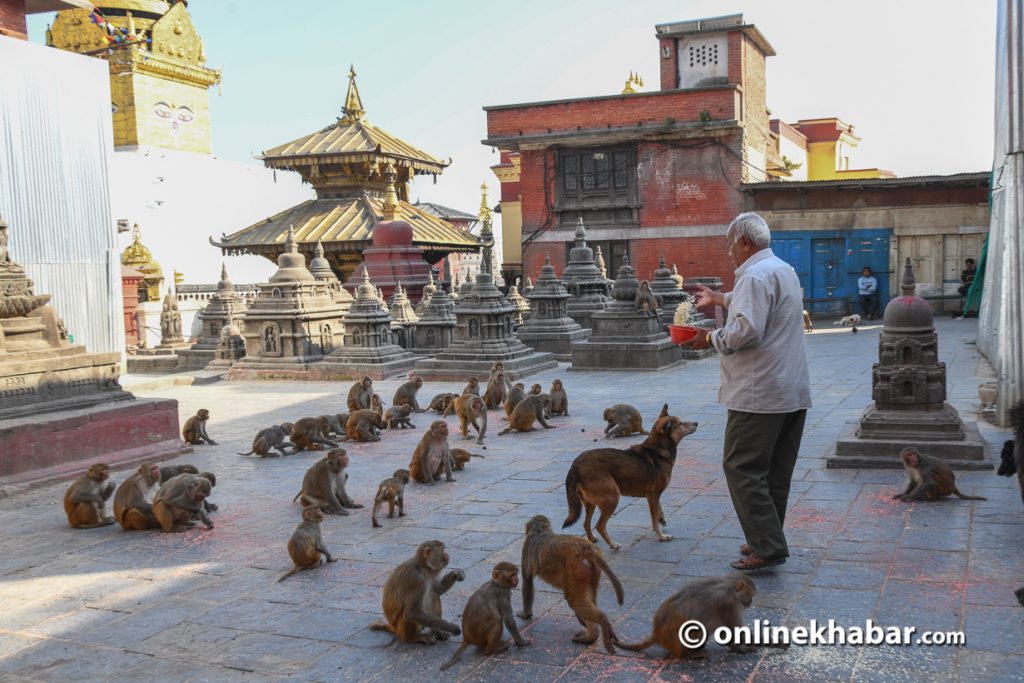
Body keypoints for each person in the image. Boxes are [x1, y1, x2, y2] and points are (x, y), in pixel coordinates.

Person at [690, 212, 811, 571]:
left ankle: (768, 546)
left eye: (730, 245)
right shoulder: (780, 269)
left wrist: (707, 337)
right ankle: (767, 537)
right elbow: (755, 305)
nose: (729, 252)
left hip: (760, 393)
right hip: (789, 389)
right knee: (773, 470)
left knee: (741, 467)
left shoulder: (754, 277)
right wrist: (719, 298)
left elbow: (746, 331)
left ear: (744, 241)